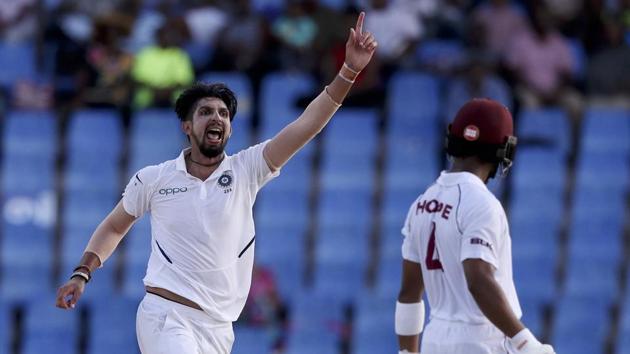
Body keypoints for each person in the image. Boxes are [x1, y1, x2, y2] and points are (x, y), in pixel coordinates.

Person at [55, 12, 377, 354]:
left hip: (219, 330)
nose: (217, 118)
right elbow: (114, 227)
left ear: (231, 129)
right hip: (167, 315)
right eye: (206, 112)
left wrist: (349, 72)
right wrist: (82, 273)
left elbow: (307, 125)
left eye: (224, 114)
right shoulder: (155, 178)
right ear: (187, 127)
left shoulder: (247, 169)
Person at [395, 99, 556, 354]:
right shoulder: (483, 204)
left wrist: (406, 352)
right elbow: (478, 279)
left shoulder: (421, 204)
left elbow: (409, 292)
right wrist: (527, 344)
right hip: (484, 340)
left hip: (434, 340)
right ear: (504, 149)